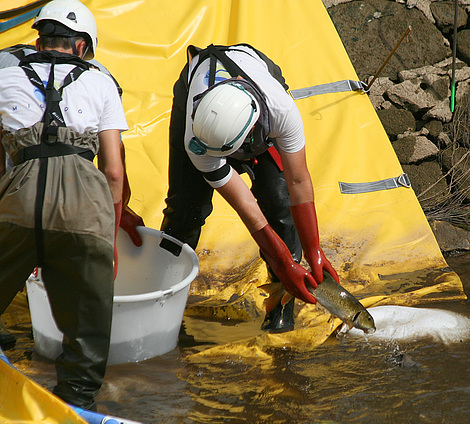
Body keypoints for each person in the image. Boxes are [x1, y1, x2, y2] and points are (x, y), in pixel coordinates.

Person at [0, 0, 128, 410]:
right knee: (88, 335)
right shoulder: (102, 82)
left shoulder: (4, 75)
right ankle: (74, 407)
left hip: (19, 197)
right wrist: (106, 241)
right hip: (85, 205)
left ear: (39, 41)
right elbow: (113, 172)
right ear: (81, 47)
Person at [161, 44, 339, 333]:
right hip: (195, 90)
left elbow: (298, 182)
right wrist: (282, 262)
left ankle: (282, 304)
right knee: (186, 209)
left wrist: (314, 250)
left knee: (279, 201)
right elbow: (247, 208)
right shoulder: (198, 142)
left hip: (256, 90)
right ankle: (163, 299)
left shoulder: (281, 111)